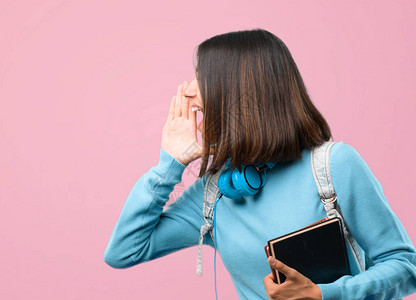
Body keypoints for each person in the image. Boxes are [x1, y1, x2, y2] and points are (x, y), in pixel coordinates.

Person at [103, 28, 416, 299]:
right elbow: (124, 251)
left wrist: (325, 294)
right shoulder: (213, 195)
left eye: (202, 77)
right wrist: (169, 166)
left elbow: (405, 267)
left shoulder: (335, 166)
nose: (188, 90)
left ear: (240, 91)